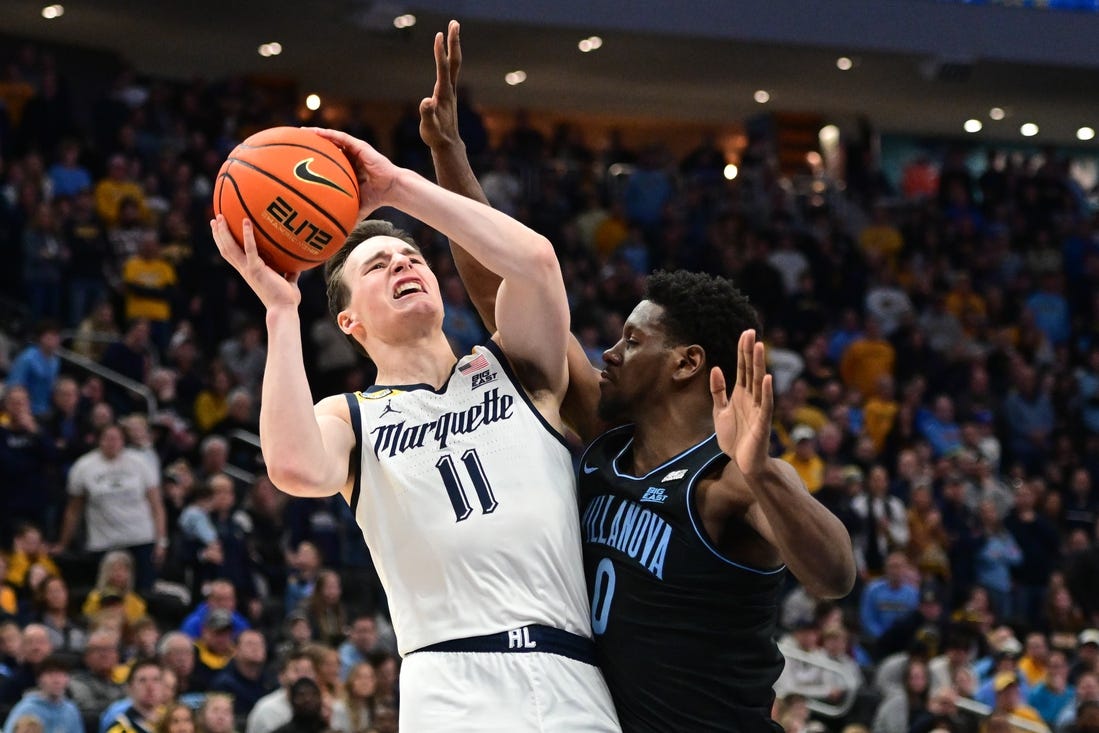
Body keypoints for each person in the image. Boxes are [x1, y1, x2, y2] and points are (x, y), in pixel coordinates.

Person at [418, 20, 855, 732]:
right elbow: (506, 293)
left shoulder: (729, 481)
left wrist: (766, 470)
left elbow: (834, 574)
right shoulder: (602, 429)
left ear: (686, 361)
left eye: (631, 338)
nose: (609, 352)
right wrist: (448, 154)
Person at [210, 110, 619, 730]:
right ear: (350, 323)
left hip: (573, 675)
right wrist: (280, 311)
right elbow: (293, 467)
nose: (402, 264)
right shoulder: (350, 417)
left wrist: (400, 187)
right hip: (451, 683)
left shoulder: (514, 367)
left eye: (411, 257)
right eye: (376, 266)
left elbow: (535, 262)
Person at [1, 655, 81, 733]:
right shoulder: (26, 709)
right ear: (39, 679)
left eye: (62, 675)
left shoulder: (71, 710)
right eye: (51, 675)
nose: (57, 681)